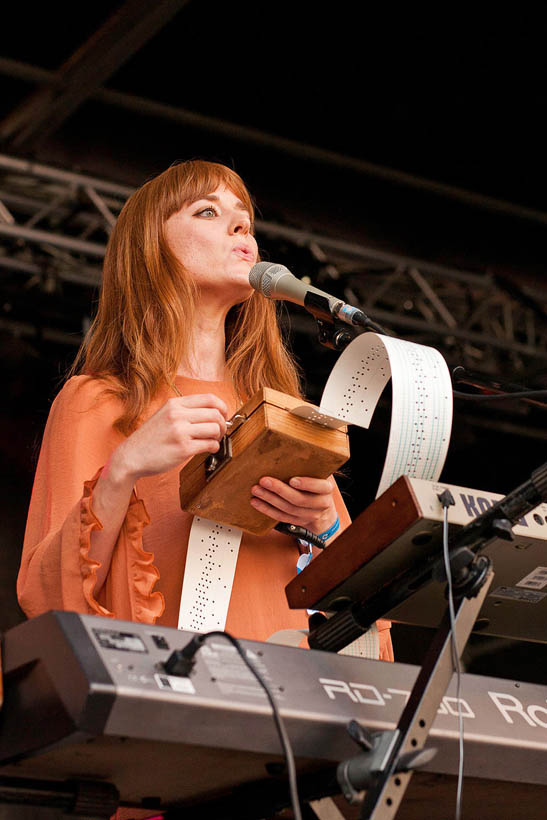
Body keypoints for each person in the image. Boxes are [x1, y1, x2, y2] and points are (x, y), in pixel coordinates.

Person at [18, 159, 393, 661]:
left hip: (300, 700)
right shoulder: (98, 400)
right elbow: (46, 597)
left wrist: (324, 526)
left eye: (245, 219)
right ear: (151, 250)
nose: (241, 226)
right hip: (168, 701)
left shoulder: (284, 413)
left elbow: (373, 629)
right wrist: (123, 468)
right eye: (207, 211)